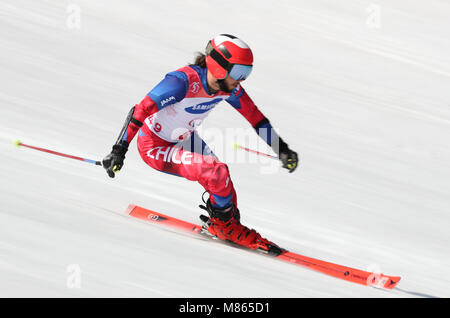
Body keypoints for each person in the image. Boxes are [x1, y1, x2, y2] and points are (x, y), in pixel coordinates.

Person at [103, 34, 298, 254]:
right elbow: (140, 110)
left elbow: (255, 118)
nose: (242, 80)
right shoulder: (181, 82)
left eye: (247, 73)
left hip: (184, 139)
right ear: (219, 67)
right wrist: (119, 150)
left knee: (226, 191)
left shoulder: (229, 88)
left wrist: (281, 149)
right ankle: (225, 228)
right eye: (239, 72)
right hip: (154, 146)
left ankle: (224, 224)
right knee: (216, 172)